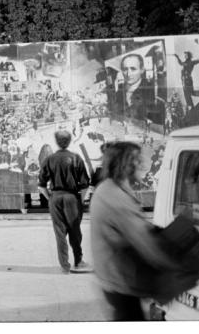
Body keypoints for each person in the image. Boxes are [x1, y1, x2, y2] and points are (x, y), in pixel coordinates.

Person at [90, 142, 181, 321]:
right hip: (121, 286)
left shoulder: (107, 188)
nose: (142, 165)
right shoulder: (116, 198)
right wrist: (178, 267)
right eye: (137, 160)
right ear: (126, 164)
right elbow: (147, 245)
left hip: (113, 282)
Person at [38, 130, 92, 274]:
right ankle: (78, 261)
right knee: (75, 230)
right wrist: (79, 200)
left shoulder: (49, 160)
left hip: (55, 197)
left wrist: (51, 198)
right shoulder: (76, 158)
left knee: (59, 232)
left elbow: (41, 186)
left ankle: (64, 266)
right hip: (72, 197)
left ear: (56, 142)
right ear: (69, 141)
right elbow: (85, 185)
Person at [114, 53, 163, 124]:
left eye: (133, 69)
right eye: (125, 69)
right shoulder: (118, 93)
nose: (128, 74)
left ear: (142, 70)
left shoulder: (152, 91)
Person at [174, 43, 199, 111]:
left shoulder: (190, 62)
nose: (185, 56)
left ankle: (191, 107)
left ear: (189, 56)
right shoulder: (186, 62)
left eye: (186, 55)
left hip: (187, 81)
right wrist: (177, 57)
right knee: (190, 94)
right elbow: (181, 63)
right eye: (185, 55)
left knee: (188, 95)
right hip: (185, 81)